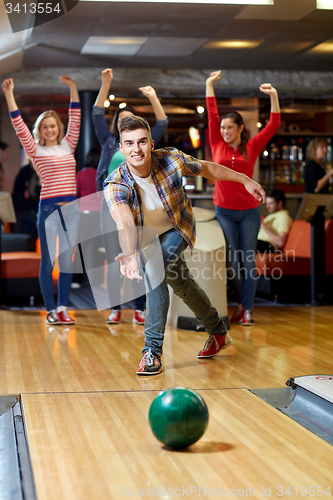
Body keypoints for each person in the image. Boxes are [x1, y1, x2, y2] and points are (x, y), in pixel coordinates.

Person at [104, 115, 266, 376]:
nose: (137, 149)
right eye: (130, 143)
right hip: (146, 239)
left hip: (178, 227)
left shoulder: (171, 159)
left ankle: (152, 352)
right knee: (184, 286)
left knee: (155, 272)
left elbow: (208, 168)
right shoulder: (115, 183)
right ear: (121, 148)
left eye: (142, 142)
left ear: (151, 142)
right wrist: (131, 253)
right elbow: (124, 219)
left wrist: (245, 179)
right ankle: (218, 332)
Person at [2, 76, 81, 325]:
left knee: (67, 262)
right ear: (40, 130)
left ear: (58, 127)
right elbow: (18, 126)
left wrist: (73, 89)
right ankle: (49, 310)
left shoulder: (69, 145)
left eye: (53, 126)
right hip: (47, 209)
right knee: (47, 261)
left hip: (70, 210)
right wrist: (9, 93)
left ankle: (62, 308)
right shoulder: (35, 151)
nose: (49, 130)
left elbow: (76, 117)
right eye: (45, 127)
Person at [92, 68, 168, 326]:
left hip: (137, 208)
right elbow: (96, 114)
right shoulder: (109, 143)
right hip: (109, 208)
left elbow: (163, 124)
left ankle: (139, 308)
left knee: (139, 256)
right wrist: (106, 84)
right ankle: (115, 309)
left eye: (130, 121)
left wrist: (153, 97)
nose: (126, 125)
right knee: (115, 258)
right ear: (117, 127)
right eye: (122, 121)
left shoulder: (140, 144)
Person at [205, 70, 281, 327]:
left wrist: (273, 96)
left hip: (249, 212)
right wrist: (209, 84)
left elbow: (273, 126)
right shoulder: (216, 142)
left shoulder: (251, 147)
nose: (224, 131)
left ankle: (246, 309)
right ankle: (240, 303)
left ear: (240, 129)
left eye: (229, 127)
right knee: (234, 261)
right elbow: (212, 115)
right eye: (223, 127)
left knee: (248, 261)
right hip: (224, 211)